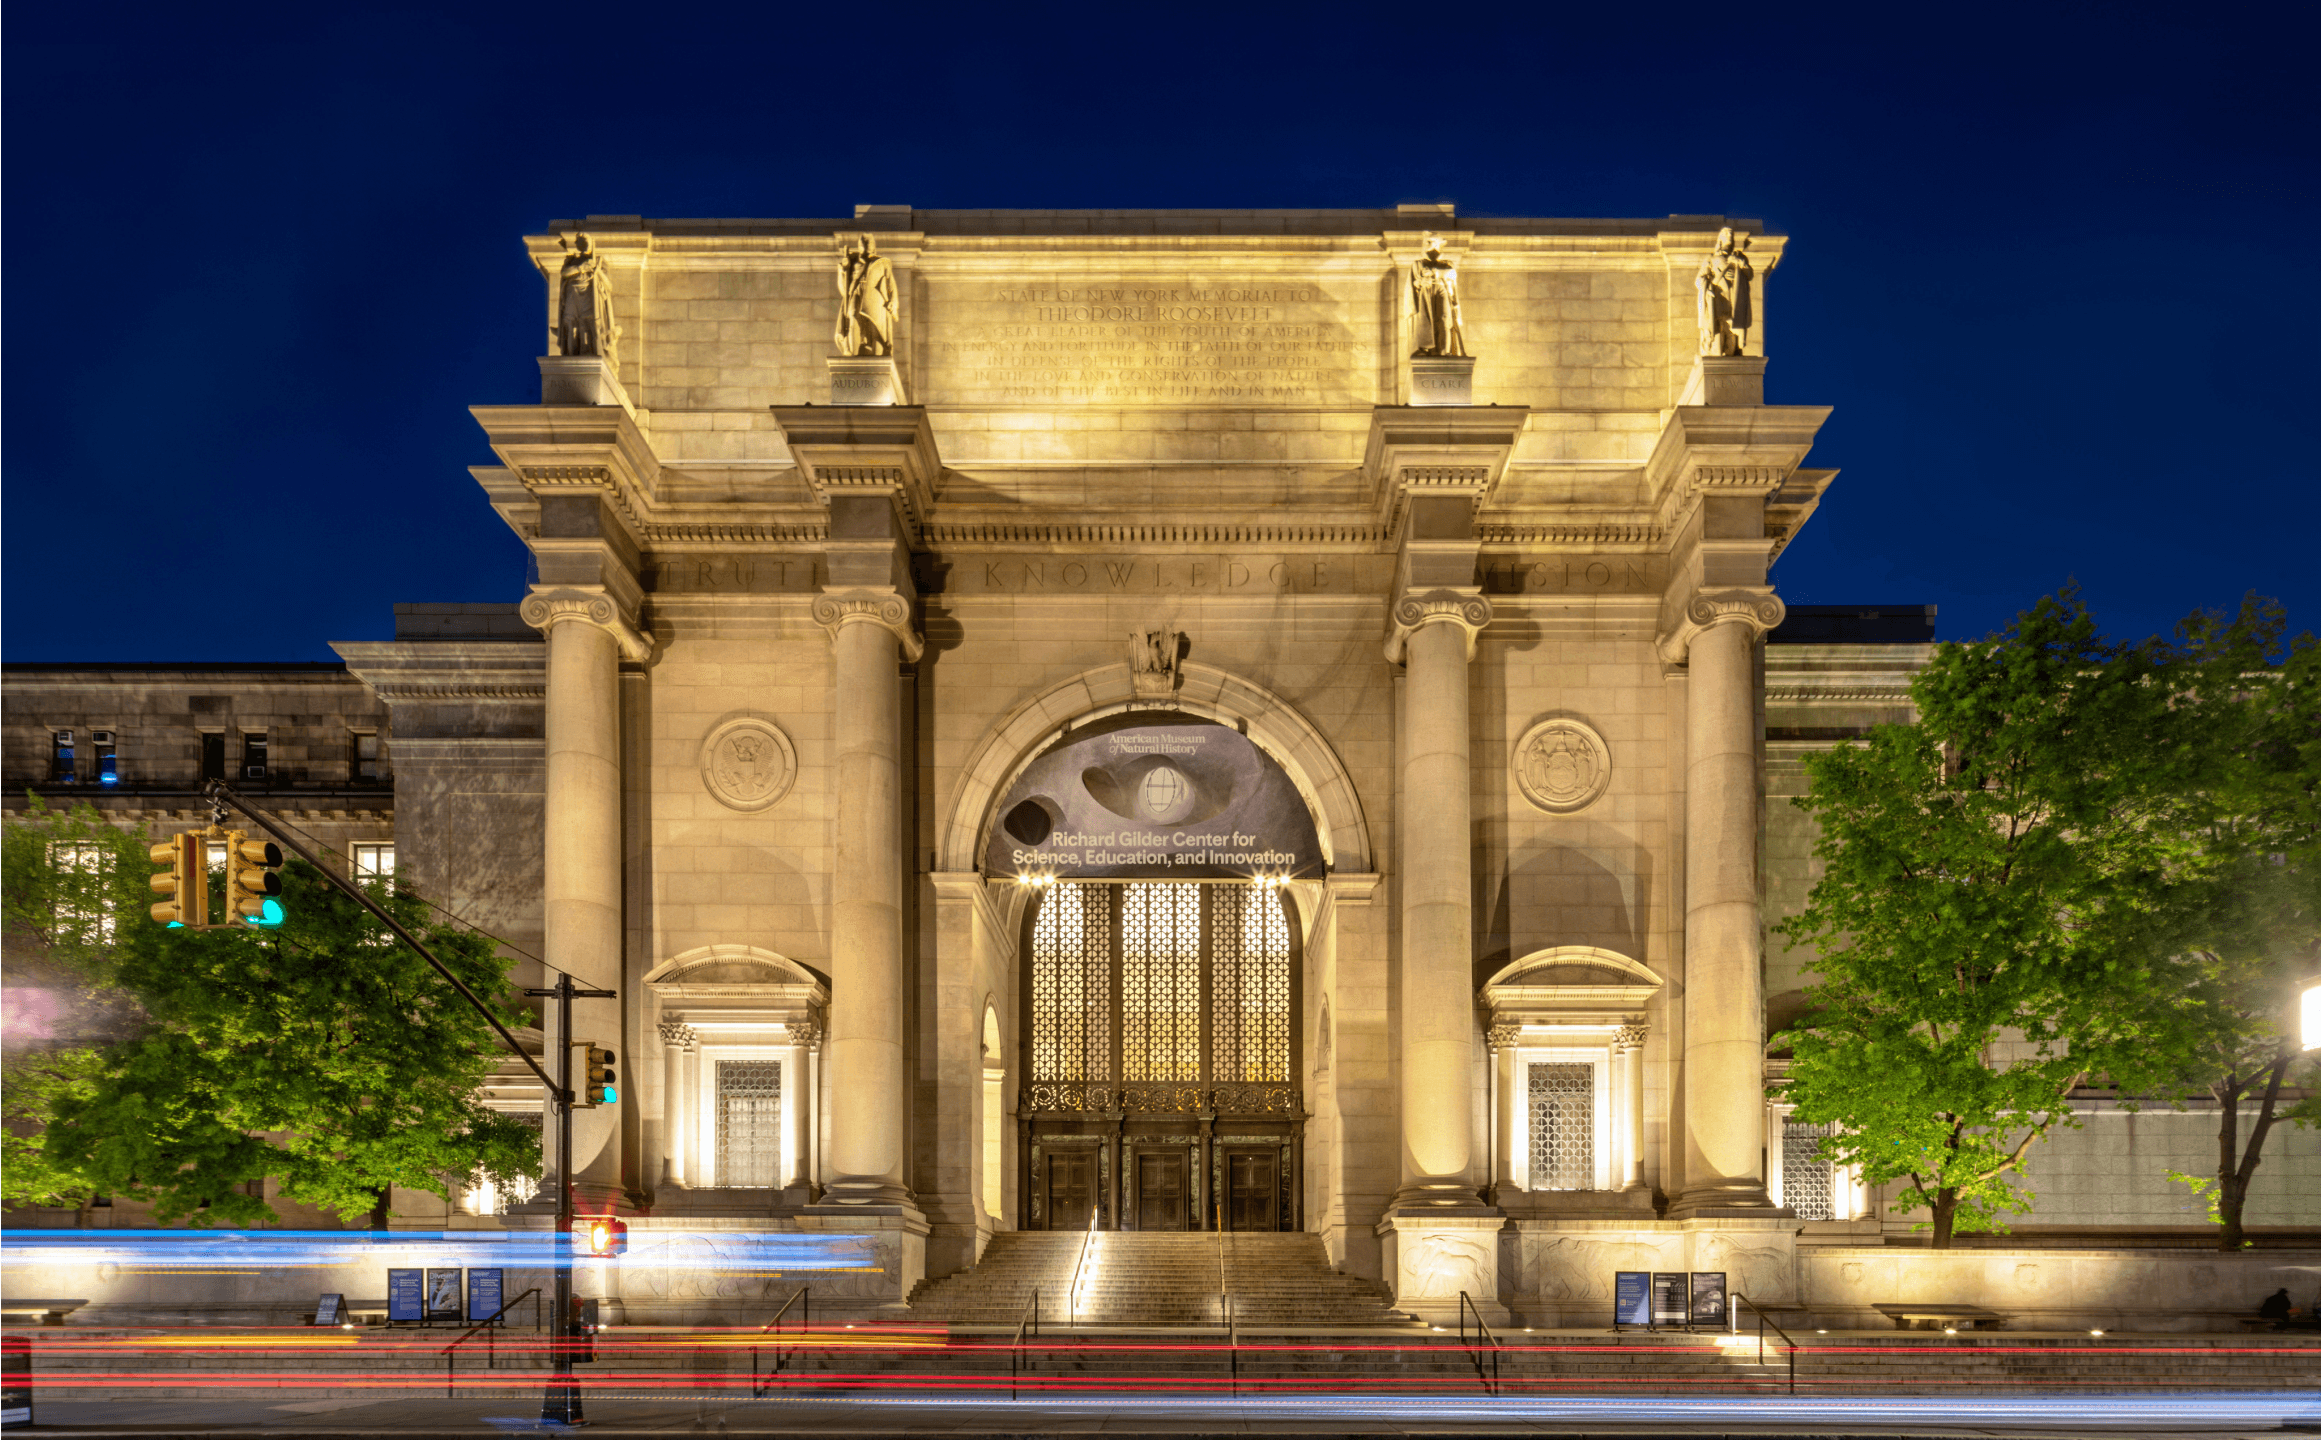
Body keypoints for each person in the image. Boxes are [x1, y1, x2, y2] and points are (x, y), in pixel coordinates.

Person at [1693, 226, 1754, 357]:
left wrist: (1740, 262)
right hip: (1717, 297)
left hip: (1734, 296)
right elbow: (1699, 279)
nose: (1729, 238)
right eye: (1726, 236)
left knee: (1732, 327)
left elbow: (1749, 275)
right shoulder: (1711, 259)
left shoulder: (1738, 257)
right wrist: (1707, 288)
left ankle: (1732, 353)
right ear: (1720, 241)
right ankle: (1716, 351)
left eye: (1730, 238)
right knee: (1718, 327)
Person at [834, 235, 897, 357]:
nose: (865, 243)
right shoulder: (853, 263)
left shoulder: (882, 263)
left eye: (868, 242)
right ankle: (853, 352)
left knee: (875, 327)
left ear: (873, 246)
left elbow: (891, 285)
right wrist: (841, 272)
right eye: (863, 242)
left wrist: (893, 301)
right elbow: (844, 290)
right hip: (856, 293)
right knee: (852, 316)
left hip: (875, 297)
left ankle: (878, 354)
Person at [1408, 234, 1465, 358]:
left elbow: (1451, 274)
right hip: (1426, 291)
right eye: (1430, 243)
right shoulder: (1418, 263)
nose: (1432, 247)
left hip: (1441, 289)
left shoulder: (1447, 263)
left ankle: (1444, 349)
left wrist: (1436, 273)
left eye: (1435, 243)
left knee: (1444, 317)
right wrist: (1421, 281)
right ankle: (1426, 348)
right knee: (1426, 318)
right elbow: (1414, 282)